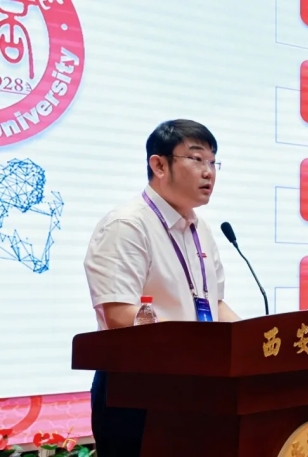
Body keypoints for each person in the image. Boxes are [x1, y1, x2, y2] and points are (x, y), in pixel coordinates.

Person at [83, 119, 240, 456]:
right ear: (159, 165)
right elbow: (119, 315)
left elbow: (215, 305)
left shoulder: (200, 228)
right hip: (137, 392)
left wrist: (250, 340)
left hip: (198, 386)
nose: (209, 172)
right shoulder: (127, 225)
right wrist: (195, 342)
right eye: (196, 159)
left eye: (213, 162)